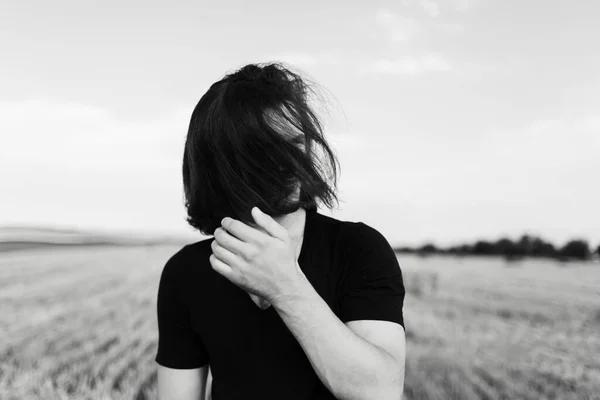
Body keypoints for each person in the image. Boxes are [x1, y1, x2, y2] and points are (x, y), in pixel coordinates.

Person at [155, 62, 406, 400]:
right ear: (219, 163)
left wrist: (285, 287)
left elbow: (381, 392)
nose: (290, 164)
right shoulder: (185, 273)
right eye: (267, 150)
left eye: (295, 142)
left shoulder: (359, 249)